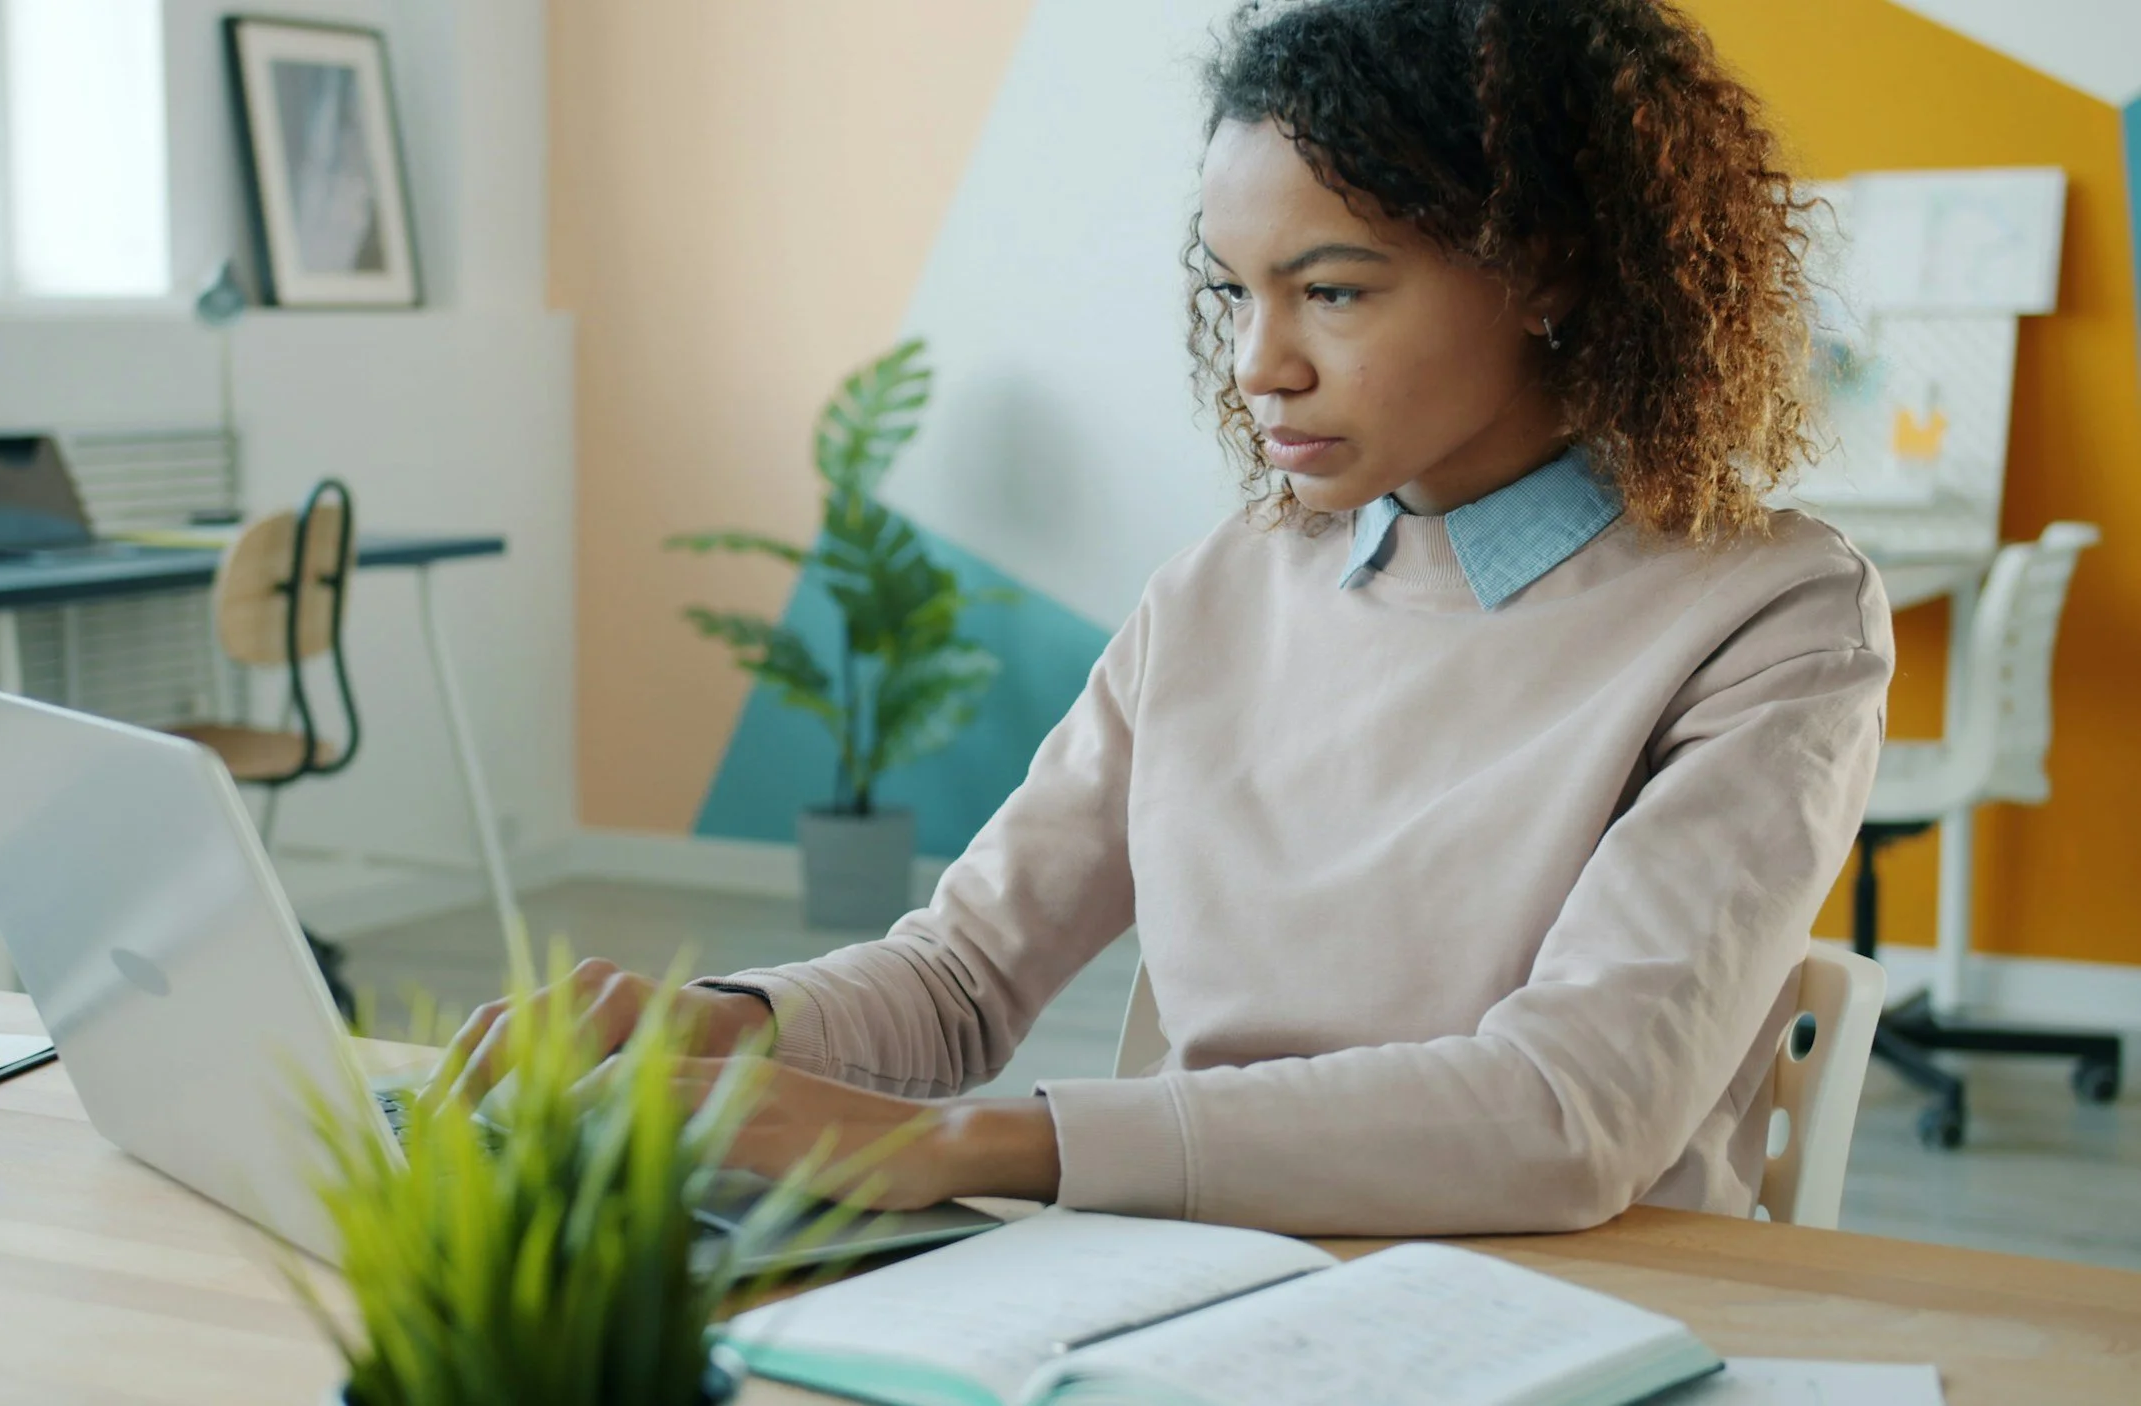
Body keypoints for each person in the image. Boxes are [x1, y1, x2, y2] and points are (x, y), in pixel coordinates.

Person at [429, 0, 1893, 1236]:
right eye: (1235, 291)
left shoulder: (1773, 619)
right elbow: (960, 974)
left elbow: (1567, 1112)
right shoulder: (1217, 591)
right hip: (1187, 1292)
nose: (1262, 363)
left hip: (1558, 1314)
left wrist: (966, 1148)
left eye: (1330, 290)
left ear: (1550, 270)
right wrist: (736, 1022)